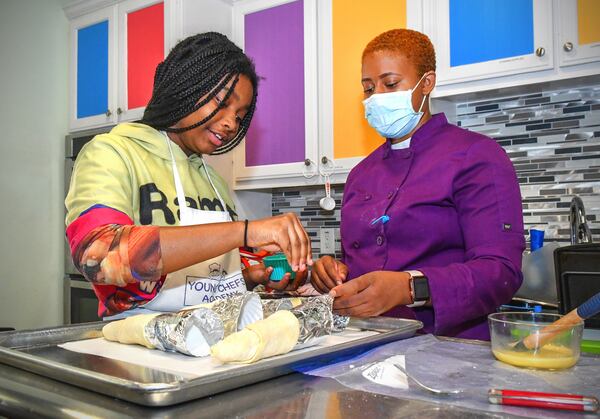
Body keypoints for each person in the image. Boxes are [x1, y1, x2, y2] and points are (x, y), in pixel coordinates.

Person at [65, 32, 311, 319]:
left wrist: (253, 277)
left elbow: (204, 286)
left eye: (241, 115)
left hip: (209, 341)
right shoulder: (113, 153)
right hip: (139, 343)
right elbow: (98, 256)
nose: (232, 122)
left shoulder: (213, 181)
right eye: (222, 103)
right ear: (185, 85)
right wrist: (246, 230)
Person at [310, 29, 525, 339]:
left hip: (450, 351)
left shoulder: (476, 156)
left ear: (427, 82)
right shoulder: (360, 173)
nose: (377, 97)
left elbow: (500, 272)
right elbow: (367, 259)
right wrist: (333, 272)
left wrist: (410, 287)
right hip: (364, 344)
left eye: (391, 83)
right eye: (368, 88)